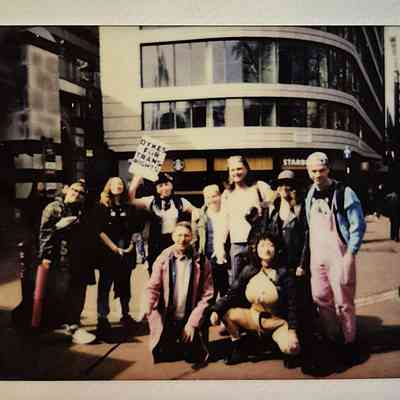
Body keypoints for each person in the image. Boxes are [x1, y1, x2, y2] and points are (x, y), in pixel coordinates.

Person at [305, 152, 366, 366]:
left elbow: (357, 225)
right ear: (308, 172)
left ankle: (349, 343)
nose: (317, 175)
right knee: (320, 298)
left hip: (339, 255)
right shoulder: (310, 194)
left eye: (321, 170)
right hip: (317, 255)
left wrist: (351, 253)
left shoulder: (344, 192)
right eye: (313, 171)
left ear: (328, 169)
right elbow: (308, 227)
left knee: (343, 302)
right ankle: (333, 339)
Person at [210, 231, 300, 366]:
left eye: (270, 245)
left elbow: (294, 305)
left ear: (277, 249)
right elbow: (232, 294)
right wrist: (216, 310)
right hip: (253, 317)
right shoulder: (249, 270)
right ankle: (239, 347)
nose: (266, 249)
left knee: (292, 348)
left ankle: (274, 344)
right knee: (226, 313)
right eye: (262, 245)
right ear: (256, 249)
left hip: (277, 321)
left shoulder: (284, 273)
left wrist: (293, 330)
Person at [267, 170, 318, 373]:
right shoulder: (274, 210)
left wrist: (303, 265)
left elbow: (308, 238)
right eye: (281, 185)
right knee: (284, 306)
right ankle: (289, 349)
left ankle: (306, 349)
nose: (285, 189)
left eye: (289, 185)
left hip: (298, 267)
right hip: (281, 266)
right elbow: (270, 236)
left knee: (303, 306)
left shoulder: (304, 208)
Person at [145, 222, 214, 364]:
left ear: (192, 238)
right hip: (169, 317)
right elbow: (153, 287)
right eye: (179, 235)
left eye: (186, 235)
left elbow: (208, 295)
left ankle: (190, 338)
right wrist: (148, 306)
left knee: (194, 357)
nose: (182, 239)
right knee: (164, 355)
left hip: (189, 317)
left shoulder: (202, 261)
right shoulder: (162, 259)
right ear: (172, 236)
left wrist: (192, 323)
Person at [38, 181, 96, 344]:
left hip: (80, 257)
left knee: (78, 291)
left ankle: (73, 324)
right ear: (66, 189)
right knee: (61, 291)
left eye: (81, 193)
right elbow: (44, 234)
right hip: (61, 257)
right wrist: (45, 256)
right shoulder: (54, 207)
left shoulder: (82, 209)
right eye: (74, 190)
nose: (76, 194)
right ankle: (61, 326)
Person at [95, 177, 144, 334]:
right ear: (108, 186)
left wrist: (131, 246)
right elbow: (100, 230)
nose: (118, 186)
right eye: (115, 184)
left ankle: (125, 314)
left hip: (126, 252)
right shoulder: (102, 206)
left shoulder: (129, 207)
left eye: (121, 184)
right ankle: (102, 317)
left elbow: (136, 229)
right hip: (108, 252)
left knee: (124, 285)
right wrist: (114, 248)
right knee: (105, 286)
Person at [219, 155, 272, 286]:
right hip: (236, 244)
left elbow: (274, 205)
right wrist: (220, 246)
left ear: (246, 169)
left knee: (259, 281)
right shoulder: (227, 193)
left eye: (239, 168)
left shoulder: (259, 187)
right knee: (236, 284)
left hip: (257, 243)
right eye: (232, 170)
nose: (236, 173)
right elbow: (224, 222)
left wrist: (263, 208)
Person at [128, 172, 196, 274]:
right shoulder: (151, 201)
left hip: (176, 242)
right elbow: (131, 200)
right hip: (157, 243)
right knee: (156, 273)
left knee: (177, 273)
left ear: (171, 185)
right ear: (156, 188)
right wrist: (136, 180)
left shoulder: (181, 202)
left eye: (166, 184)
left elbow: (197, 212)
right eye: (160, 186)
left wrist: (193, 231)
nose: (164, 188)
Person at [193, 184, 229, 303]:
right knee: (209, 290)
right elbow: (195, 237)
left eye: (214, 196)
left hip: (225, 256)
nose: (211, 200)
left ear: (220, 196)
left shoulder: (228, 213)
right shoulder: (201, 215)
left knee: (225, 289)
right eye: (208, 197)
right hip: (207, 257)